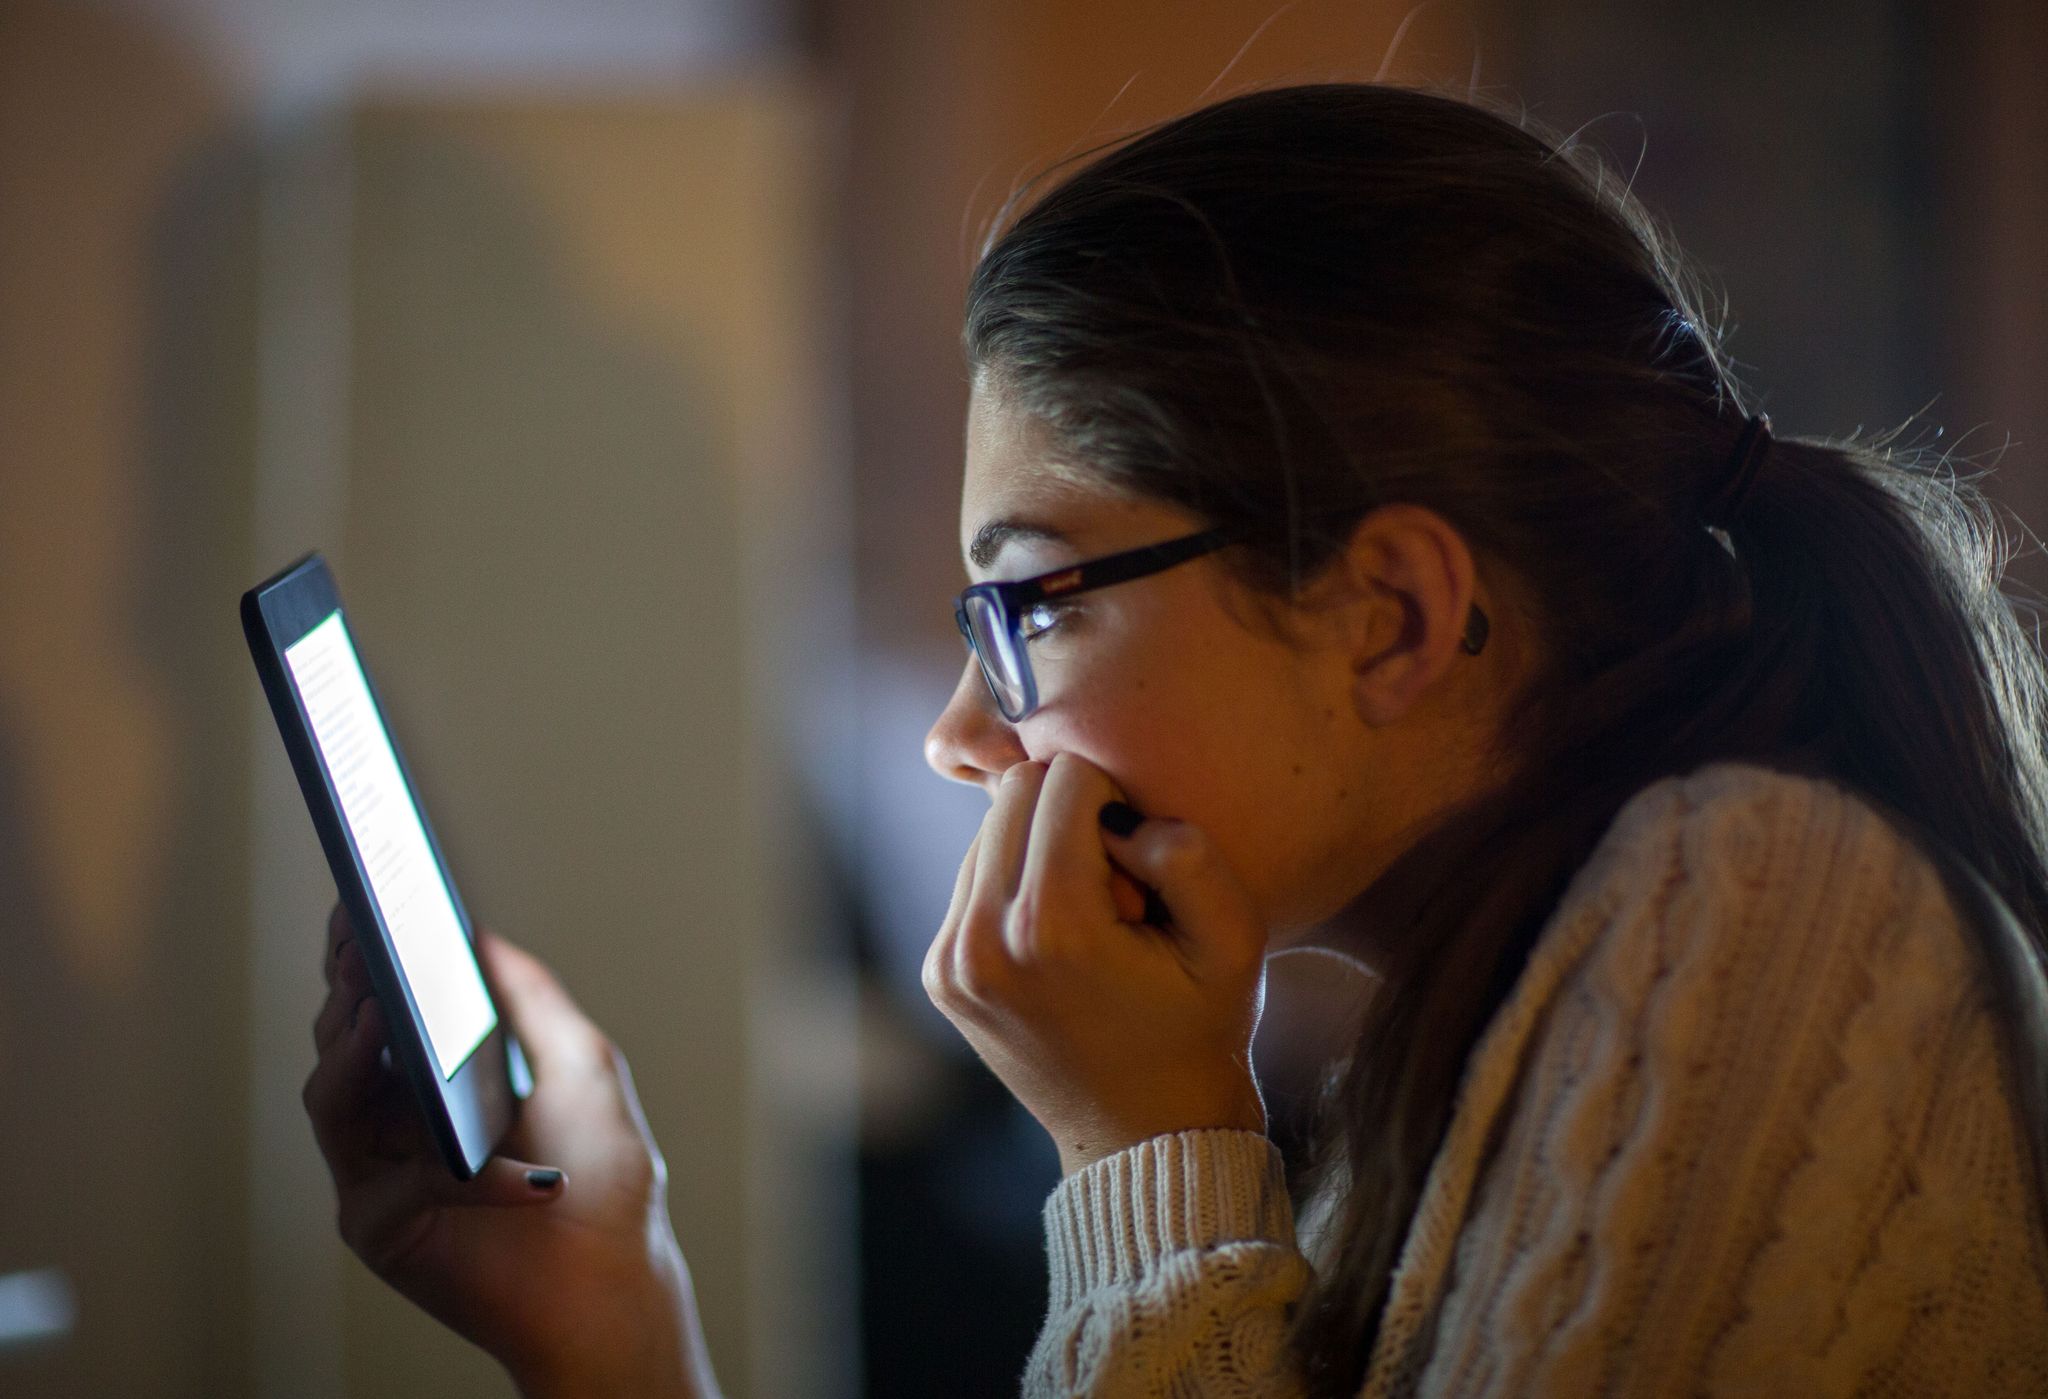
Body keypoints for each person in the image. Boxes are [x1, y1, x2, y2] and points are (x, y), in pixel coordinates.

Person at [303, 82, 2048, 1396]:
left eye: (1035, 603)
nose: (961, 737)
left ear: (1394, 617)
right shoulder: (1469, 1038)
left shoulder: (1751, 907)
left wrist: (1141, 1157)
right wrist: (617, 1330)